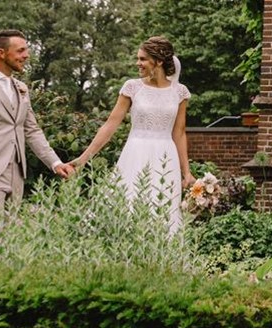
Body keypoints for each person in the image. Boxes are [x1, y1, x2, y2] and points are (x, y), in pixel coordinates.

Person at [70, 36, 195, 234]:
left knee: (162, 209)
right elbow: (110, 125)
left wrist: (186, 172)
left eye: (143, 59)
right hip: (136, 154)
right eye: (138, 58)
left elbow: (179, 132)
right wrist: (84, 158)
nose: (138, 63)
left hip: (165, 156)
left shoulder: (180, 92)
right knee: (129, 202)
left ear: (159, 61)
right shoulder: (132, 87)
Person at [0, 29, 75, 230]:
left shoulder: (21, 88)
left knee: (10, 239)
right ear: (1, 53)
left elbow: (32, 131)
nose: (26, 55)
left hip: (17, 174)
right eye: (20, 51)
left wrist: (55, 163)